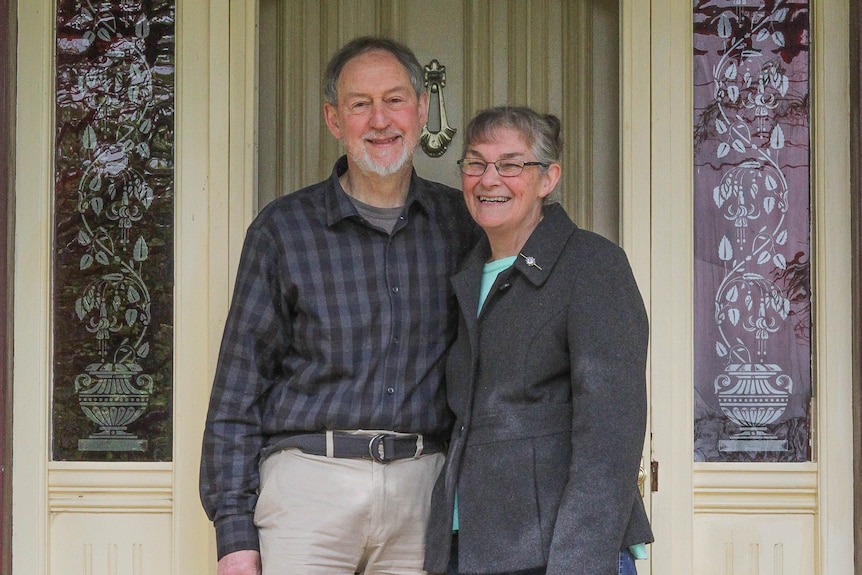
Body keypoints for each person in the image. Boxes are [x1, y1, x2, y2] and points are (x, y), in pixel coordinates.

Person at [200, 36, 477, 575]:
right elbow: (237, 391)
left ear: (421, 111)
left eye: (395, 100)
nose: (380, 120)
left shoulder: (461, 227)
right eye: (359, 104)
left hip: (424, 490)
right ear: (333, 119)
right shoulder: (283, 230)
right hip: (308, 489)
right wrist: (234, 535)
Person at [423, 106, 653, 575]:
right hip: (471, 547)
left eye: (510, 164)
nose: (489, 179)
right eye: (475, 163)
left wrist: (578, 561)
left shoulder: (592, 265)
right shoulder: (468, 273)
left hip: (558, 552)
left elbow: (610, 437)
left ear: (548, 179)